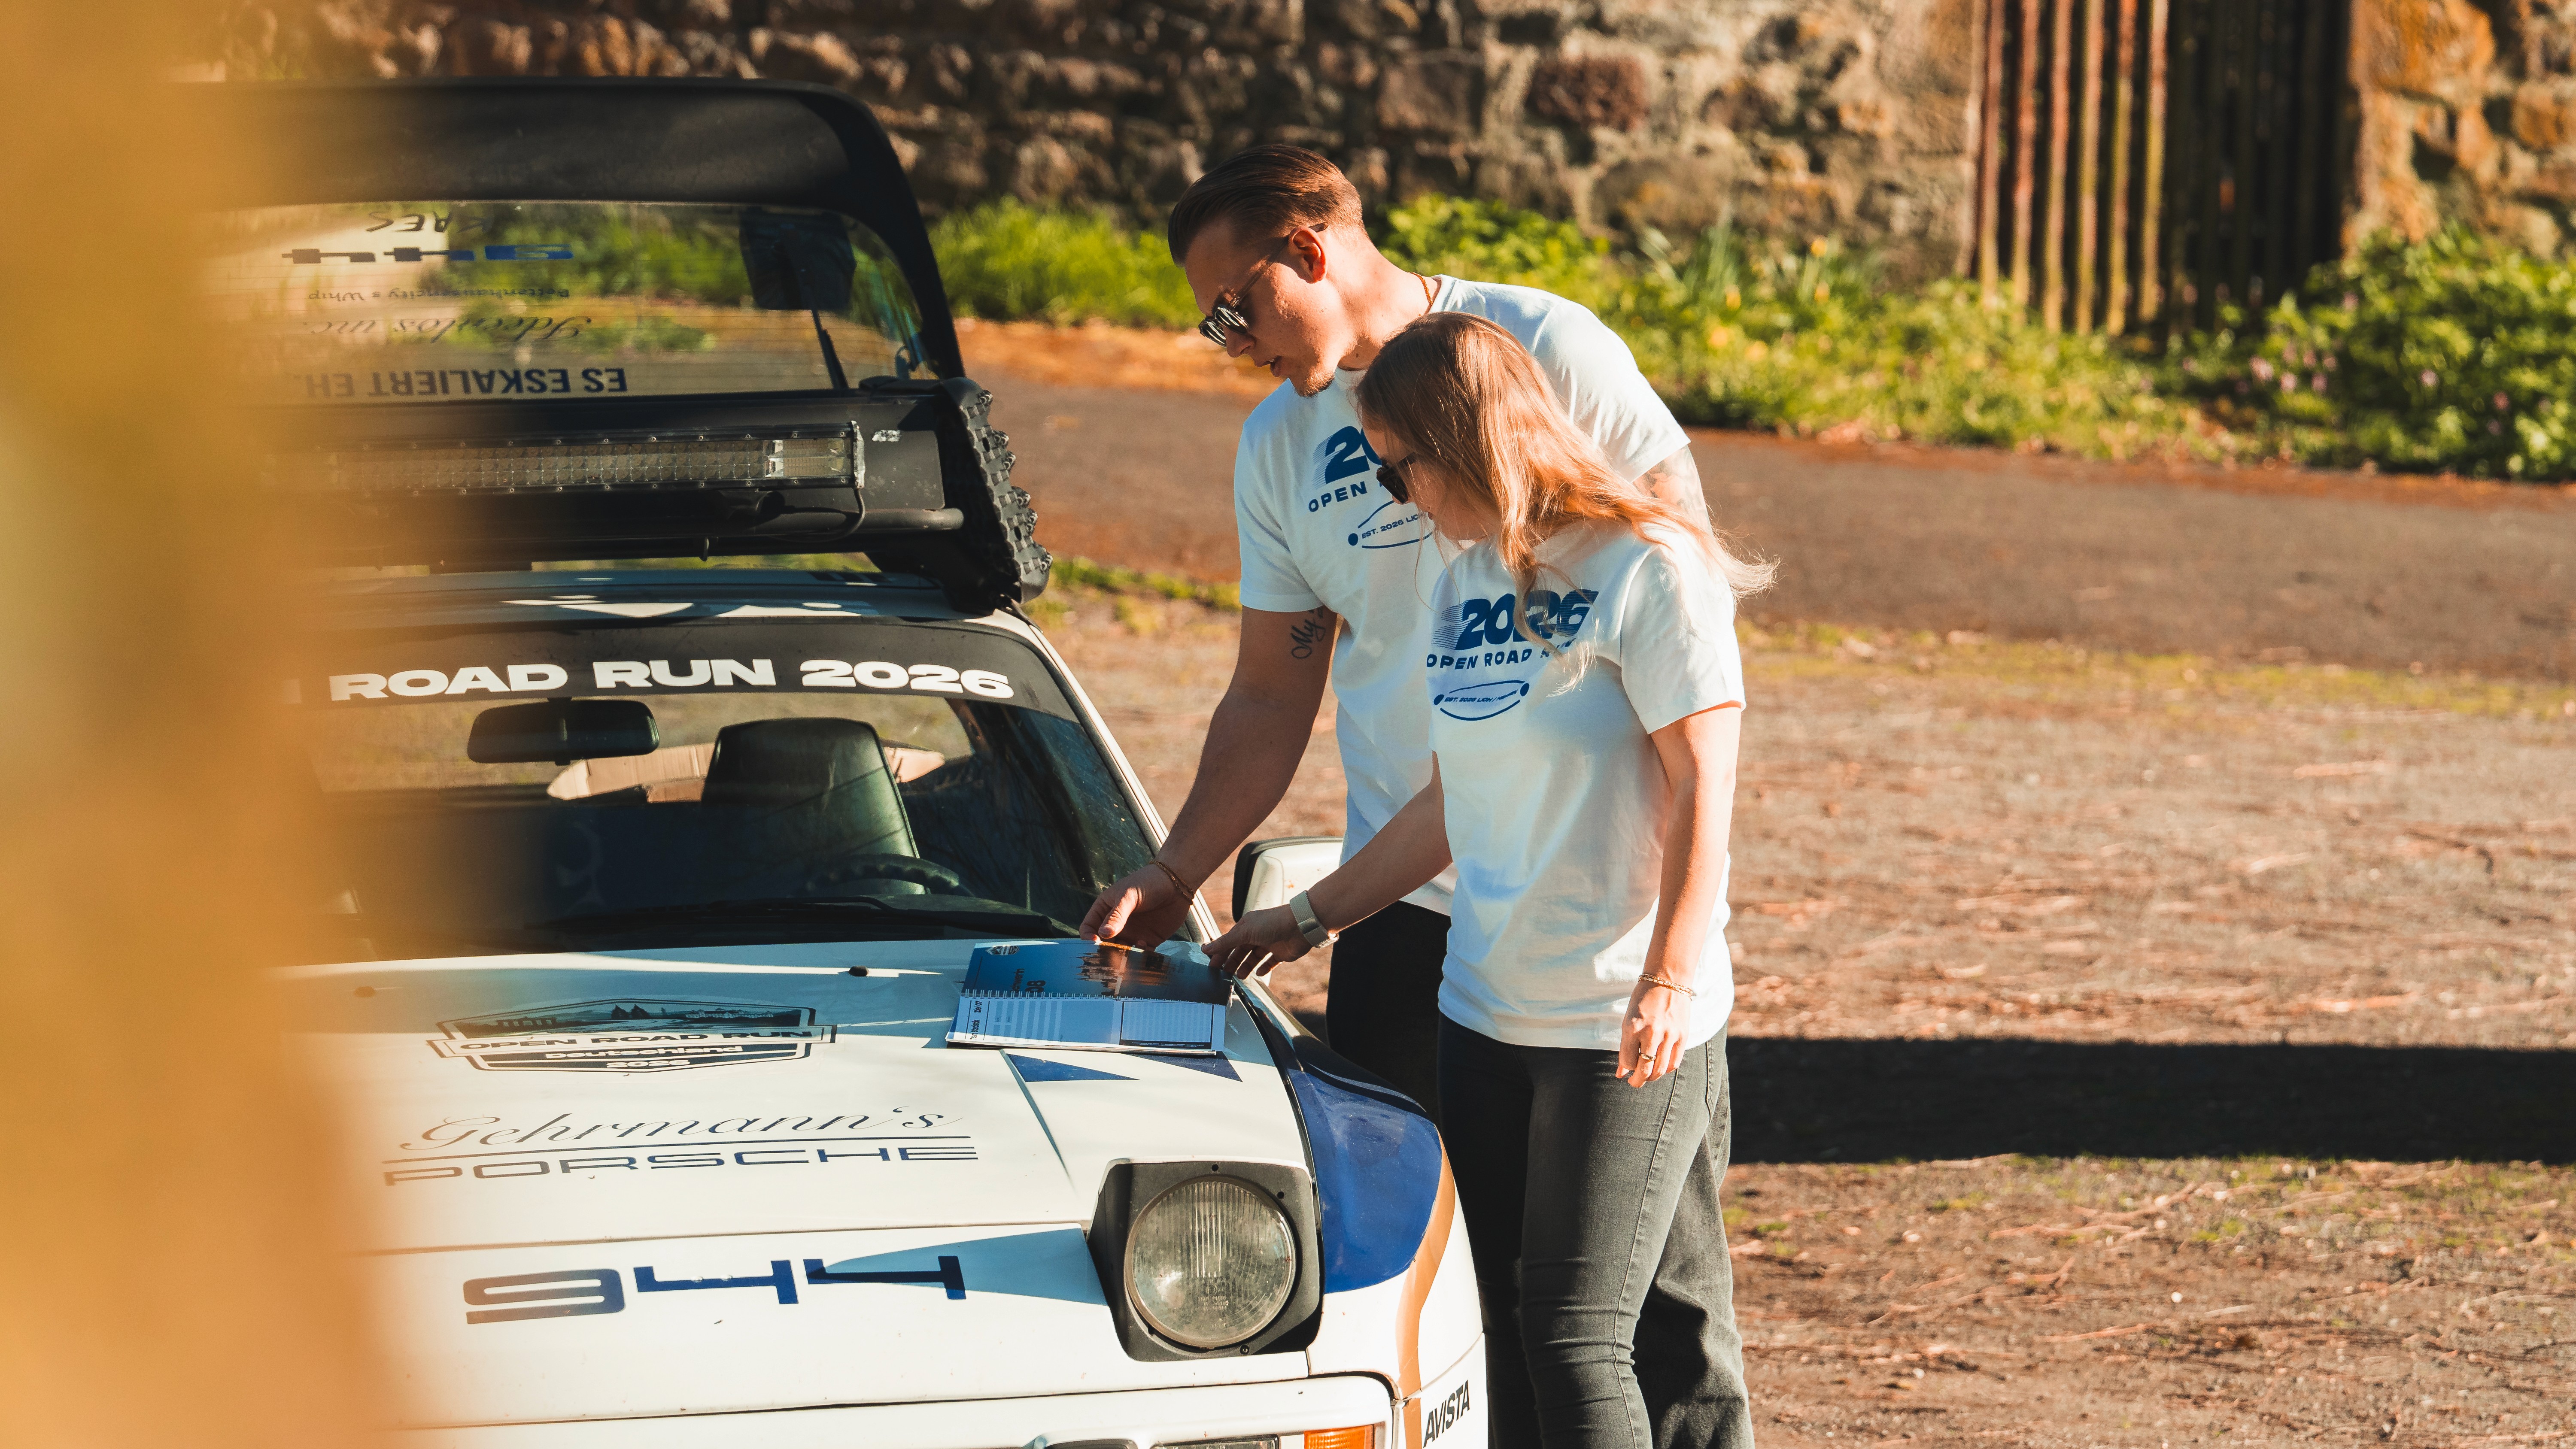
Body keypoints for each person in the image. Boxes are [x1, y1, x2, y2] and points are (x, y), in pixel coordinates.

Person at [1205, 312, 1769, 1448]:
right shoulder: (1465, 578)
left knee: (1578, 1331)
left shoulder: (1650, 569)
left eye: (1396, 462)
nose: (1389, 490)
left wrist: (1665, 980)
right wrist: (1312, 915)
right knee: (1500, 1322)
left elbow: (1708, 786)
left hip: (1619, 1027)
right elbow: (1452, 803)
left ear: (1465, 441)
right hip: (1483, 1014)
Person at [1077, 144, 1704, 1116]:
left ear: (1307, 251)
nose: (1232, 344)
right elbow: (1269, 691)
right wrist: (1175, 867)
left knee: (1640, 1267)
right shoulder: (1275, 447)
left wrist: (1676, 934)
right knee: (1424, 1241)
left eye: (1232, 310)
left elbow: (1687, 589)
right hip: (1395, 904)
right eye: (1212, 327)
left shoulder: (1549, 345)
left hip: (1585, 908)